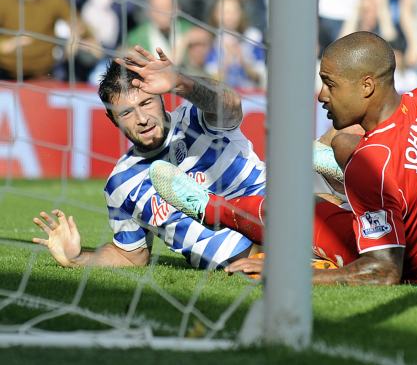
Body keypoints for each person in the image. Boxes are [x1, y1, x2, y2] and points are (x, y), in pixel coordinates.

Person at [150, 32, 417, 285]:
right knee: (345, 146)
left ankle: (211, 209)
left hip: (416, 269)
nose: (321, 95)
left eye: (330, 82)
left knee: (296, 209)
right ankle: (339, 169)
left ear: (367, 86)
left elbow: (383, 272)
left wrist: (290, 278)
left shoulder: (374, 164)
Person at [31, 45, 265, 269]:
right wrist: (78, 258)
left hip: (284, 226)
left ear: (161, 98)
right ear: (113, 119)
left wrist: (182, 82)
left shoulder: (196, 119)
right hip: (244, 264)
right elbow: (131, 256)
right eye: (126, 112)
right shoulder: (121, 184)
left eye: (146, 103)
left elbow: (230, 104)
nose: (142, 118)